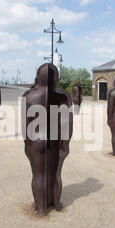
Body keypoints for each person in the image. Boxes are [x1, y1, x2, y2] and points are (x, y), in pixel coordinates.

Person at [22, 63, 73, 216]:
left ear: (38, 76)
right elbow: (67, 124)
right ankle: (55, 203)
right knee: (55, 172)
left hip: (36, 140)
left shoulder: (29, 95)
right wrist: (66, 144)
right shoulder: (64, 96)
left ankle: (41, 208)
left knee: (38, 174)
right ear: (55, 77)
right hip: (55, 138)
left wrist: (26, 145)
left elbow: (25, 126)